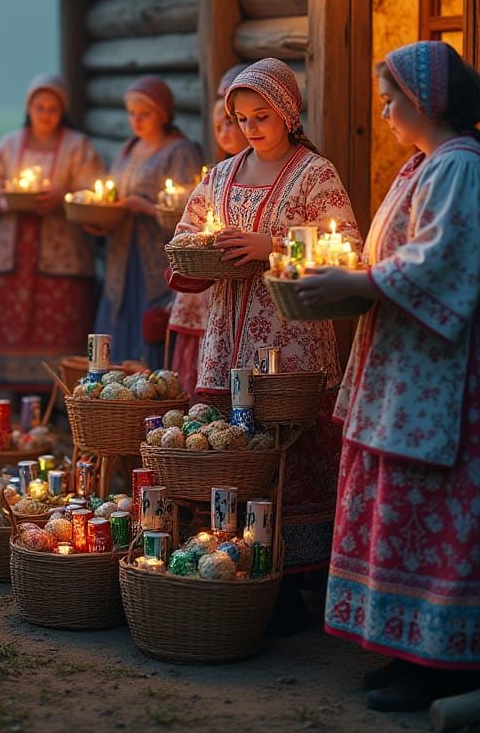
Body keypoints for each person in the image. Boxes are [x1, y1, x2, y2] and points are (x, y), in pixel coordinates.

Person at [299, 41, 480, 710]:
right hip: (410, 357)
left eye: (392, 96)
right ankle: (409, 650)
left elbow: (439, 263)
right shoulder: (423, 165)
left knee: (440, 503)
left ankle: (452, 661)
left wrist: (357, 281)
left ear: (427, 100)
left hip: (451, 363)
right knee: (398, 497)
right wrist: (357, 277)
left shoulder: (460, 168)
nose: (383, 109)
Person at [168, 59, 361, 632]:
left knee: (288, 454)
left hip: (290, 342)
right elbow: (185, 237)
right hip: (225, 338)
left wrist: (270, 245)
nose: (251, 127)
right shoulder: (221, 175)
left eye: (263, 116)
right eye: (241, 117)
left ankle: (294, 582)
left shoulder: (314, 175)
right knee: (233, 455)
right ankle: (235, 568)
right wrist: (202, 251)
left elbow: (344, 248)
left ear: (289, 113)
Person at [0, 74, 103, 390]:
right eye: (39, 106)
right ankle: (14, 388)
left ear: (62, 110)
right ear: (29, 107)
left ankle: (60, 390)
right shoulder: (9, 144)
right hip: (13, 249)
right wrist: (7, 203)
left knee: (61, 318)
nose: (45, 113)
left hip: (61, 251)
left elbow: (94, 191)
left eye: (52, 107)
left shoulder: (78, 146)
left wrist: (64, 196)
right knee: (12, 317)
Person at [95, 76, 203, 367]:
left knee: (150, 323)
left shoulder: (180, 151)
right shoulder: (131, 147)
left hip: (154, 259)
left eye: (145, 114)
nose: (137, 120)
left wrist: (144, 207)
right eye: (132, 113)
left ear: (164, 114)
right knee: (120, 318)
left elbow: (190, 214)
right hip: (122, 257)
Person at [168, 67, 250, 396]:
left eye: (234, 122)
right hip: (207, 290)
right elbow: (189, 226)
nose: (228, 131)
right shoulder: (218, 174)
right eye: (221, 125)